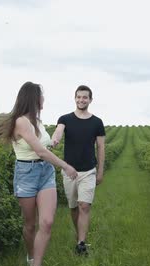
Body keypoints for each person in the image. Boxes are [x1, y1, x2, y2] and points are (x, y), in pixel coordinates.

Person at [0, 81, 78, 266]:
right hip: (26, 173)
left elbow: (45, 147)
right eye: (41, 96)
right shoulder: (21, 122)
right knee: (30, 225)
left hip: (45, 172)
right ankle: (31, 255)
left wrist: (54, 140)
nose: (44, 100)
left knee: (47, 221)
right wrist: (66, 166)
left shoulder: (38, 122)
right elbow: (39, 151)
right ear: (33, 98)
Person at [51, 85, 105, 255]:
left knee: (84, 206)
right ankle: (79, 235)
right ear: (75, 98)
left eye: (85, 97)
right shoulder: (65, 118)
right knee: (73, 207)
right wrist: (55, 139)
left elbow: (101, 147)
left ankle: (81, 243)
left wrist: (100, 170)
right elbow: (59, 131)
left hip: (88, 171)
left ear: (90, 100)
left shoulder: (97, 122)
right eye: (79, 97)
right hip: (69, 172)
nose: (81, 100)